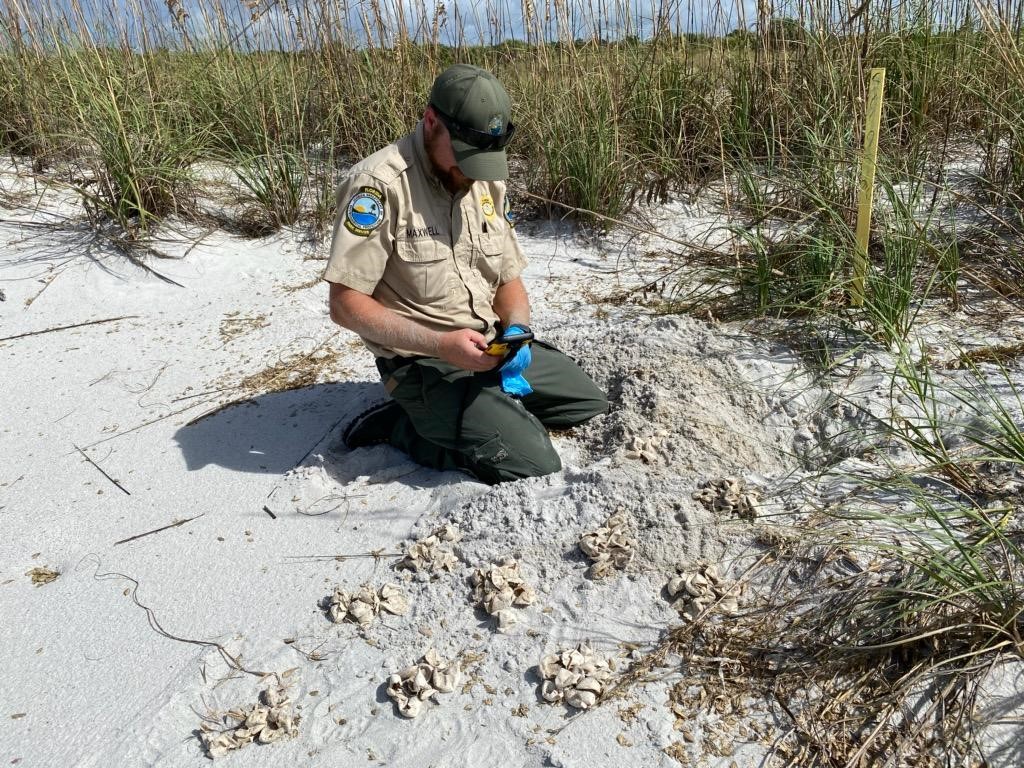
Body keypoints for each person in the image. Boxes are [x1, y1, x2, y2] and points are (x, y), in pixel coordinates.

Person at [323, 64, 607, 484]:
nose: (474, 172)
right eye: (465, 156)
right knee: (532, 465)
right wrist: (441, 345)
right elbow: (345, 305)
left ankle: (484, 411)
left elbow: (507, 277)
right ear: (431, 121)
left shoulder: (485, 179)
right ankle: (402, 426)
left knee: (586, 403)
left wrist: (517, 328)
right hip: (424, 362)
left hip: (490, 348)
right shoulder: (378, 185)